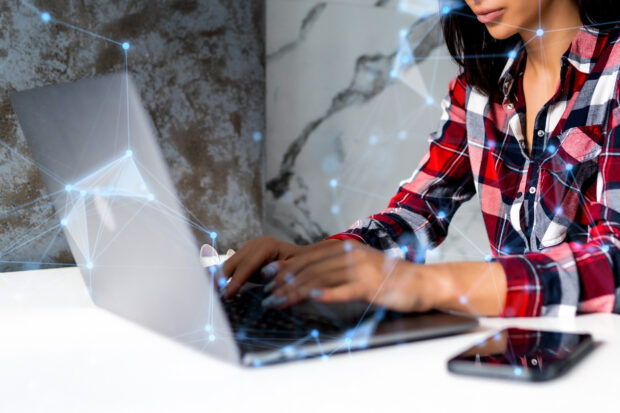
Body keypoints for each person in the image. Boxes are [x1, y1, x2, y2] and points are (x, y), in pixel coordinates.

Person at [223, 0, 620, 317]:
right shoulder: (479, 90)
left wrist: (425, 284)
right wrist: (328, 257)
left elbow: (614, 262)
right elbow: (419, 210)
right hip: (524, 359)